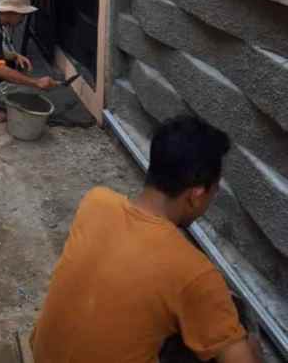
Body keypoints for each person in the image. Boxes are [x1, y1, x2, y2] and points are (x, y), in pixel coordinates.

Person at [31, 115, 263, 363]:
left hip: (43, 355)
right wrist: (252, 350)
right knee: (228, 333)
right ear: (196, 194)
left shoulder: (96, 201)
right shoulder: (194, 271)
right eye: (213, 192)